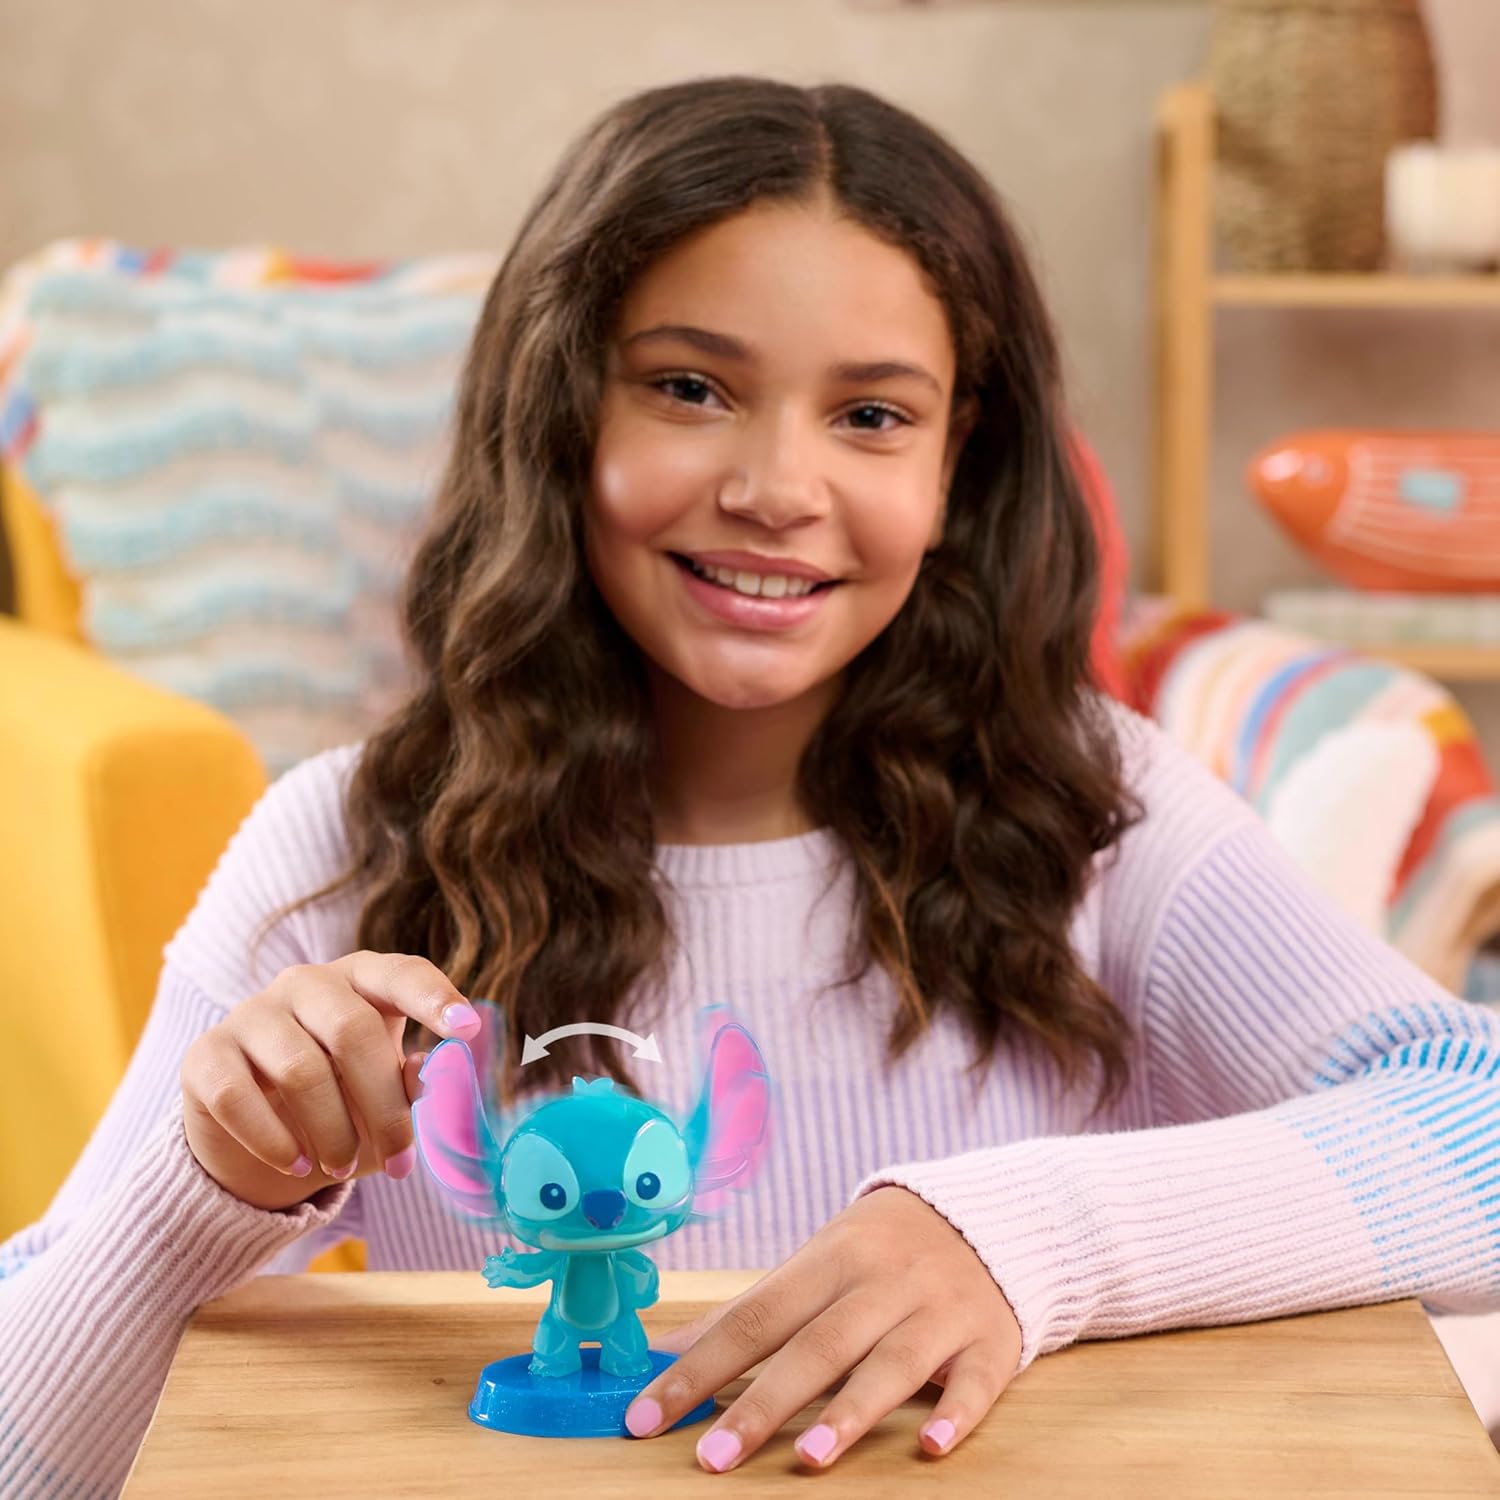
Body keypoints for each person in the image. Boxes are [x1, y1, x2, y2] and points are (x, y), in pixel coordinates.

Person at [2, 74, 1496, 1494]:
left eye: (872, 415)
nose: (779, 489)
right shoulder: (348, 848)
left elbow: (1473, 1120)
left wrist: (1022, 1236)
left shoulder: (1101, 815)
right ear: (564, 413)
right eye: (690, 387)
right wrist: (203, 1186)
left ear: (957, 465)